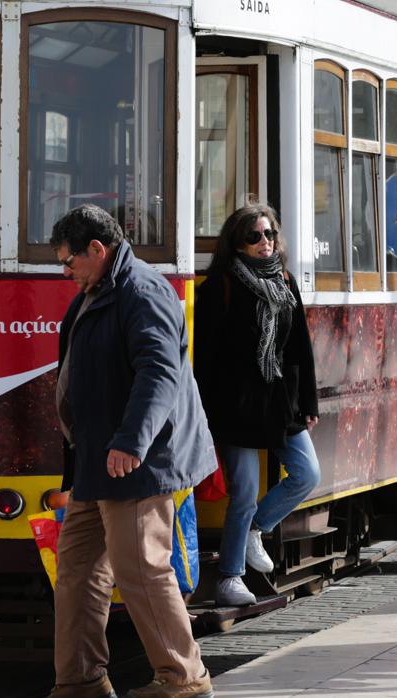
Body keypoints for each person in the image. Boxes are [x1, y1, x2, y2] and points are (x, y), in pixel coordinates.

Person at [50, 204, 216, 698]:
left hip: (137, 461)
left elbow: (159, 373)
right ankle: (79, 680)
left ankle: (184, 678)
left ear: (97, 250)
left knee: (140, 569)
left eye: (69, 261)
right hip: (96, 460)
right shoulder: (98, 288)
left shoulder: (141, 291)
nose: (65, 272)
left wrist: (131, 441)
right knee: (77, 572)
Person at [193, 203, 320, 607]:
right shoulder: (220, 287)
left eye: (269, 234)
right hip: (236, 405)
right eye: (254, 236)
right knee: (244, 492)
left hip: (281, 401)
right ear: (237, 243)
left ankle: (254, 531)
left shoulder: (284, 281)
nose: (265, 242)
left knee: (307, 474)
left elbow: (300, 345)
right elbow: (207, 358)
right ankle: (230, 578)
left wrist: (308, 401)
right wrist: (206, 414)